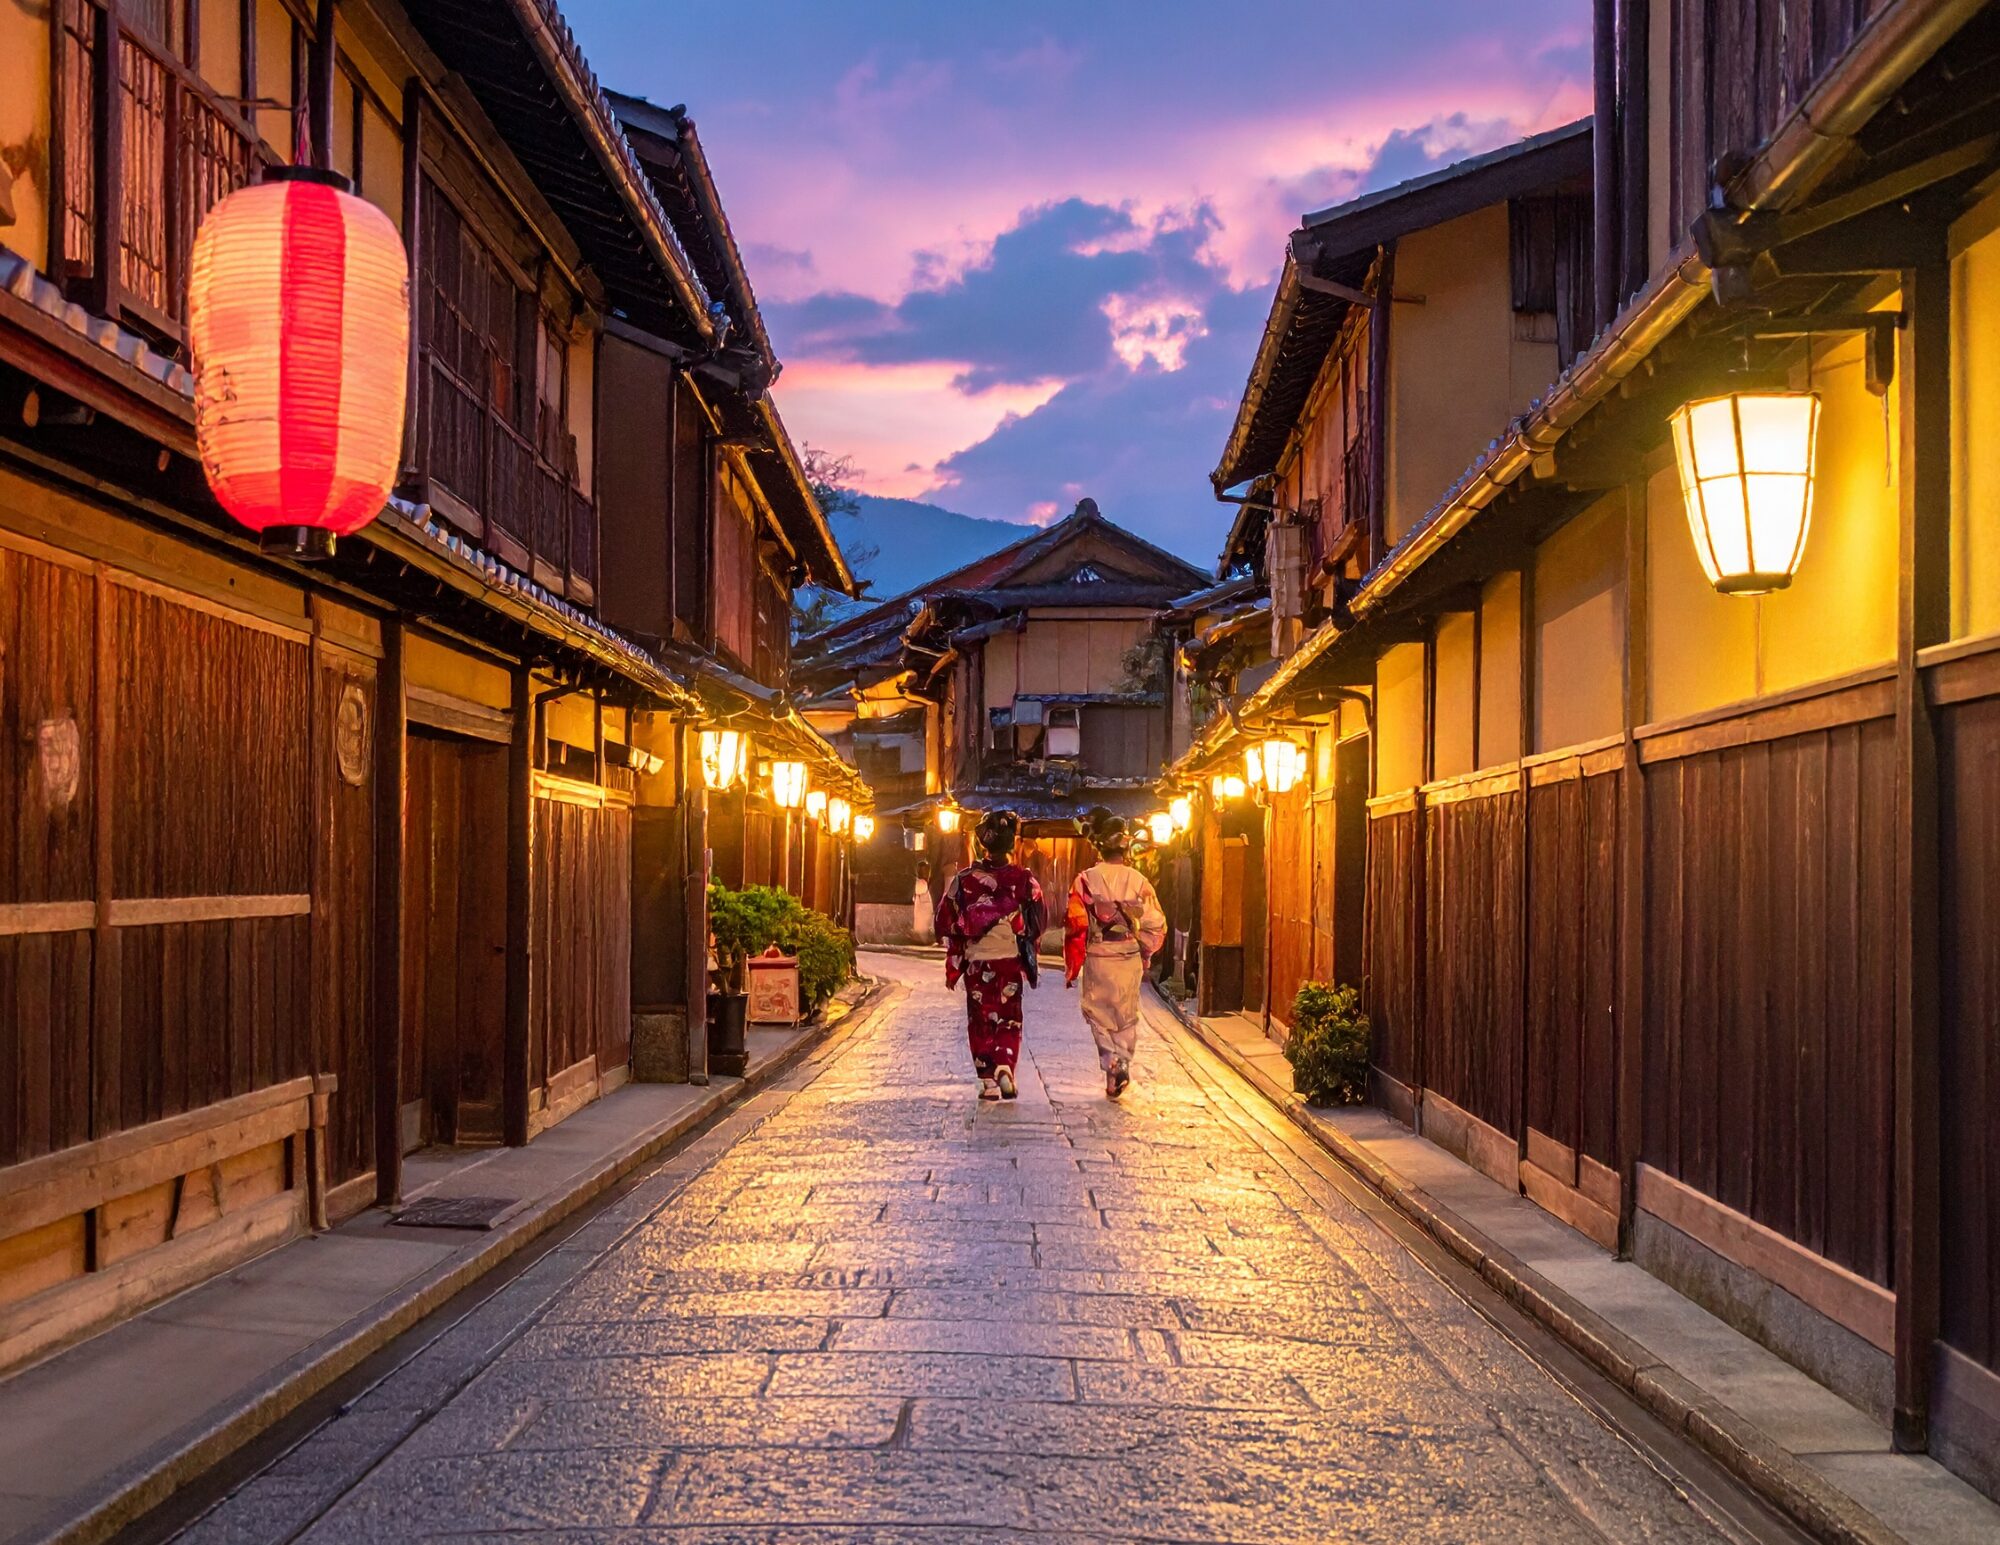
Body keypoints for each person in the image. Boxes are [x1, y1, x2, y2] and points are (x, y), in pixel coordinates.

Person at [934, 811, 1045, 1100]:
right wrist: (1023, 939)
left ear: (982, 841)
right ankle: (1005, 1065)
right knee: (1009, 1016)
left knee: (981, 1018)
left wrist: (957, 955)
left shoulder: (964, 880)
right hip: (1007, 958)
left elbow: (945, 921)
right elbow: (1038, 922)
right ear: (1011, 843)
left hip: (977, 961)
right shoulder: (1024, 879)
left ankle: (987, 1079)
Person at [1064, 813, 1166, 1099]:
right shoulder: (1139, 880)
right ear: (1124, 847)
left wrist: (1073, 963)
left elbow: (1075, 922)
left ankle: (1111, 1063)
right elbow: (1155, 922)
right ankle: (1120, 1064)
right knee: (1125, 1014)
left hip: (1098, 952)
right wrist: (1144, 949)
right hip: (1127, 952)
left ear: (1098, 847)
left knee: (1098, 1013)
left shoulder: (1085, 880)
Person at [910, 860, 934, 944]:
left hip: (925, 910)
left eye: (927, 870)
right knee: (922, 928)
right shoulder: (920, 883)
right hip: (922, 911)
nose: (926, 873)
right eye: (923, 870)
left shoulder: (926, 883)